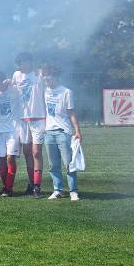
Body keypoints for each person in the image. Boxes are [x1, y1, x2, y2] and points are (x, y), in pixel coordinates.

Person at [43, 65, 82, 201]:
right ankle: (58, 190)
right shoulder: (45, 90)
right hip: (48, 133)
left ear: (55, 76)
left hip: (63, 132)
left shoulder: (66, 92)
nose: (45, 78)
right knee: (53, 165)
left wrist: (77, 131)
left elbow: (72, 113)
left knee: (69, 163)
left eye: (48, 75)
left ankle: (73, 191)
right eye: (44, 75)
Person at [12, 52, 46, 198]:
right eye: (20, 63)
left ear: (30, 62)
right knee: (27, 152)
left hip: (38, 118)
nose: (22, 65)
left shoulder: (39, 74)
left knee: (36, 152)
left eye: (24, 62)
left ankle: (37, 186)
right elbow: (8, 87)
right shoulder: (16, 75)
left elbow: (52, 74)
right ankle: (31, 183)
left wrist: (42, 69)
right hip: (23, 119)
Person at [0, 72, 21, 197]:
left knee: (10, 158)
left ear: (4, 81)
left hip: (13, 130)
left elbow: (24, 84)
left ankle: (9, 187)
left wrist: (12, 80)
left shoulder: (14, 90)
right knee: (1, 159)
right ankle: (5, 186)